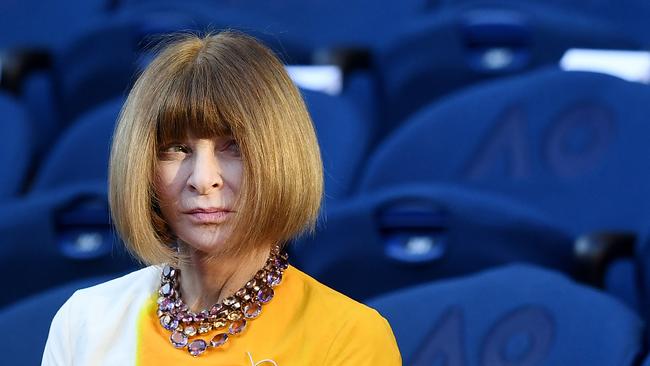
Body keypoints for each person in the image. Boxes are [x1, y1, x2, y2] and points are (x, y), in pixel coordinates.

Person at [41, 31, 402, 365]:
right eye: (176, 149)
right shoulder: (85, 322)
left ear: (281, 159)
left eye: (234, 148)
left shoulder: (349, 336)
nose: (203, 180)